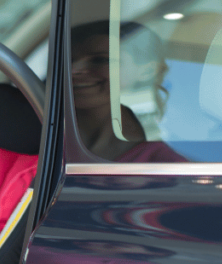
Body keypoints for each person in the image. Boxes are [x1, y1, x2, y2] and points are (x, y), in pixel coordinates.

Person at [70, 20, 183, 162]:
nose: (73, 70)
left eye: (101, 60)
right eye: (68, 59)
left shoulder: (164, 163)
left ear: (147, 70)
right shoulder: (42, 135)